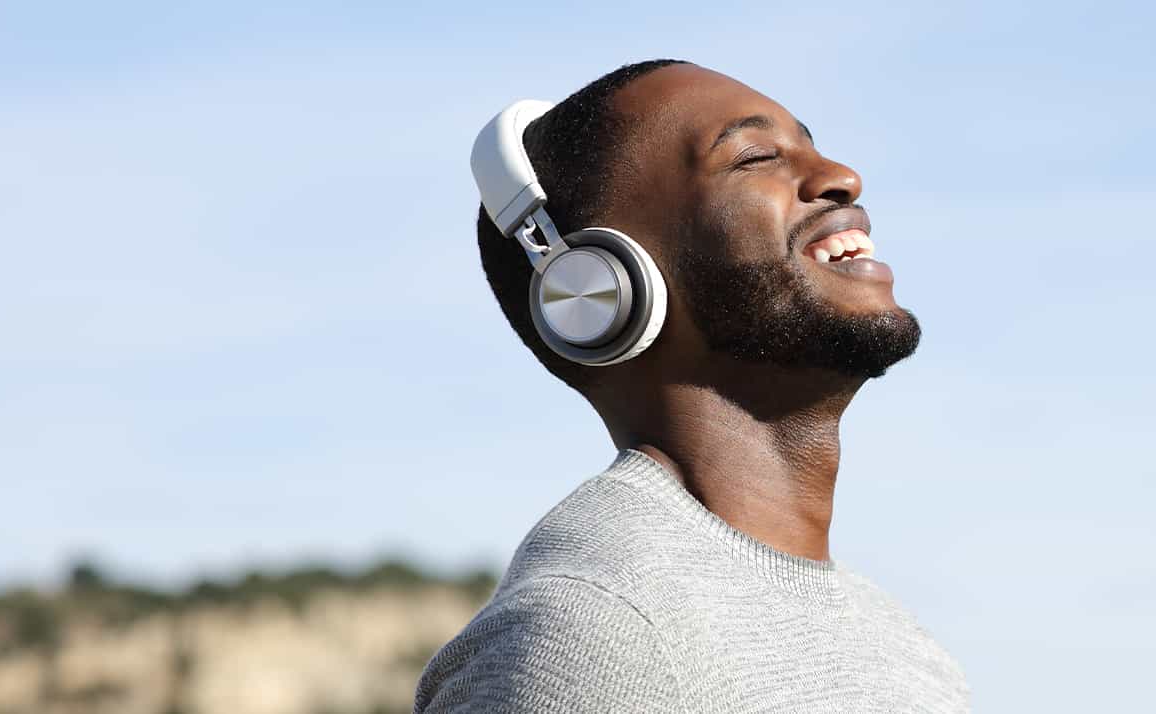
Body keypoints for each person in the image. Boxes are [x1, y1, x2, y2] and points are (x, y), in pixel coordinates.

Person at [415, 59, 970, 713]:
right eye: (757, 156)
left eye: (813, 146)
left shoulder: (902, 645)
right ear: (596, 291)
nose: (841, 178)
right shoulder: (591, 634)